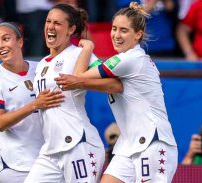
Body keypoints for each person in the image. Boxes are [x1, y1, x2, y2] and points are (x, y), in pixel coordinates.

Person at [55, 2, 178, 182]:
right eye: (114, 29)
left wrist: (88, 47)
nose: (116, 35)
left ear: (138, 35)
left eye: (124, 30)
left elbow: (80, 75)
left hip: (153, 143)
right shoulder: (121, 61)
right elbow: (104, 77)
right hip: (127, 145)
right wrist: (82, 36)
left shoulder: (130, 59)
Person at [24, 4, 122, 183]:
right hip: (50, 150)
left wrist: (79, 81)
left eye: (58, 23)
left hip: (79, 144)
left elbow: (115, 84)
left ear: (71, 29)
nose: (51, 27)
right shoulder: (42, 63)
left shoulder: (80, 54)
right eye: (48, 21)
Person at [0, 22, 64, 182]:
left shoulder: (40, 68)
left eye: (5, 39)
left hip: (47, 157)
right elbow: (0, 122)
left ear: (20, 42)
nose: (0, 46)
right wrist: (35, 104)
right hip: (14, 163)